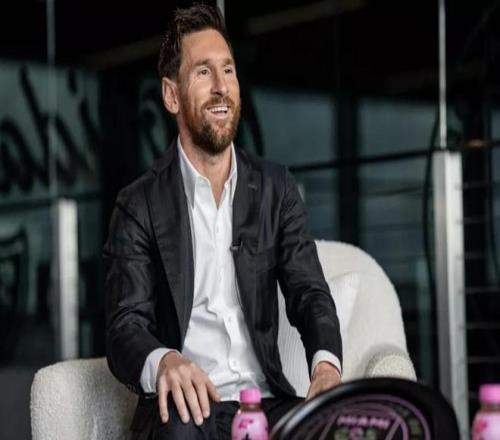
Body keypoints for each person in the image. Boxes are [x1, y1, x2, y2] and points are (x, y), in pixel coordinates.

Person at [104, 4, 342, 439]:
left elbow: (309, 292)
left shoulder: (275, 189)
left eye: (228, 70)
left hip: (266, 403)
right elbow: (125, 325)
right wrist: (166, 362)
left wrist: (326, 366)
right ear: (171, 96)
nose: (221, 87)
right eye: (203, 72)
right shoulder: (138, 204)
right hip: (187, 413)